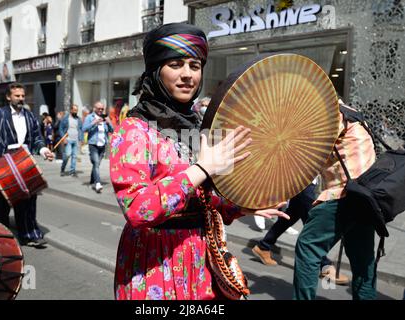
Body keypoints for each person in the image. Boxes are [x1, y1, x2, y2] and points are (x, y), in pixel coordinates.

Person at [109, 23, 289, 300]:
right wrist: (201, 168)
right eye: (176, 64)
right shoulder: (134, 129)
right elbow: (137, 210)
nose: (187, 75)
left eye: (194, 65)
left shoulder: (198, 126)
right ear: (156, 71)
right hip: (155, 261)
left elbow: (205, 199)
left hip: (201, 258)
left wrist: (244, 205)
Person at [293, 99, 377, 300]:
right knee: (363, 262)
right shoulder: (352, 113)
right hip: (367, 199)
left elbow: (308, 155)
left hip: (342, 195)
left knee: (308, 248)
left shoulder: (328, 114)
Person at [0, 83, 54, 248]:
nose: (21, 99)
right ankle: (0, 237)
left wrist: (43, 150)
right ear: (8, 97)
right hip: (3, 163)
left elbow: (37, 138)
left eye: (22, 96)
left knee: (28, 200)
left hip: (24, 162)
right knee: (1, 204)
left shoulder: (30, 116)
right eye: (17, 96)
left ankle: (29, 235)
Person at [252, 181, 350, 285]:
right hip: (304, 180)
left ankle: (264, 245)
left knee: (293, 214)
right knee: (313, 222)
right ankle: (324, 265)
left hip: (307, 180)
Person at [82, 101, 113, 193]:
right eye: (99, 108)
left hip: (102, 145)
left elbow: (112, 130)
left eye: (102, 109)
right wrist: (94, 122)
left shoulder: (105, 118)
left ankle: (92, 180)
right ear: (94, 108)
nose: (100, 110)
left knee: (97, 164)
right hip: (93, 144)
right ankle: (98, 183)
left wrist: (108, 123)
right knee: (96, 163)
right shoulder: (89, 117)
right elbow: (84, 129)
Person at [59, 104, 83, 177]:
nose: (76, 111)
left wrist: (81, 139)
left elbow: (80, 130)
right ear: (71, 110)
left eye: (77, 110)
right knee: (67, 155)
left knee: (74, 156)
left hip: (75, 140)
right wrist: (64, 138)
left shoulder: (78, 119)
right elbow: (61, 128)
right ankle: (62, 168)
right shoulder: (66, 118)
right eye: (74, 110)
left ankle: (72, 171)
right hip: (68, 140)